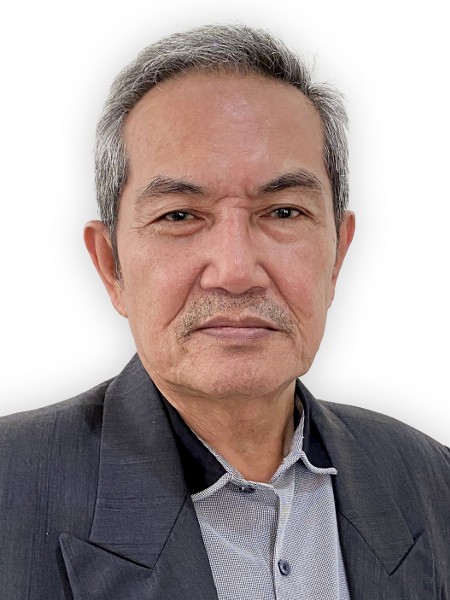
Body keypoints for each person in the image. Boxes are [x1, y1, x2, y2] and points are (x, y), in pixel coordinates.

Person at [0, 23, 448, 600]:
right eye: (180, 216)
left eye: (283, 212)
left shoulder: (431, 480)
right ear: (111, 265)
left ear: (338, 254)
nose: (236, 271)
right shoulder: (12, 487)